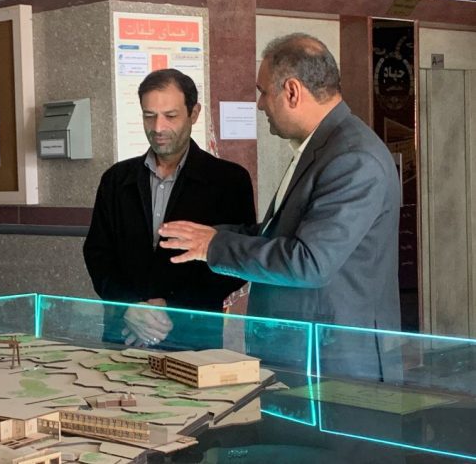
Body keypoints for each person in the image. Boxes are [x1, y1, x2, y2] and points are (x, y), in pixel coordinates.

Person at [158, 34, 401, 380]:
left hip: (334, 365)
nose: (259, 105)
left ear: (292, 91)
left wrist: (214, 246)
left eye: (262, 92)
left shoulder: (353, 158)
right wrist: (211, 236)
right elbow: (279, 235)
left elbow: (309, 262)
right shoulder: (325, 147)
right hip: (306, 358)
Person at [83, 68, 255, 350]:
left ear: (194, 113)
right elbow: (97, 254)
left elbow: (235, 262)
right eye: (149, 116)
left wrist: (170, 307)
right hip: (125, 333)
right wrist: (129, 306)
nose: (158, 127)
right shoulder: (116, 179)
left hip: (193, 336)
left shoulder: (228, 180)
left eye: (170, 116)